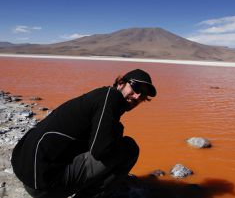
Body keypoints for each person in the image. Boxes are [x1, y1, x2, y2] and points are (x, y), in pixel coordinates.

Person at [11, 69, 157, 198]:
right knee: (129, 148)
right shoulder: (111, 97)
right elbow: (101, 150)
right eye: (136, 88)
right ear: (120, 83)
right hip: (43, 185)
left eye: (143, 95)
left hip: (28, 174)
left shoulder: (98, 97)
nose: (138, 96)